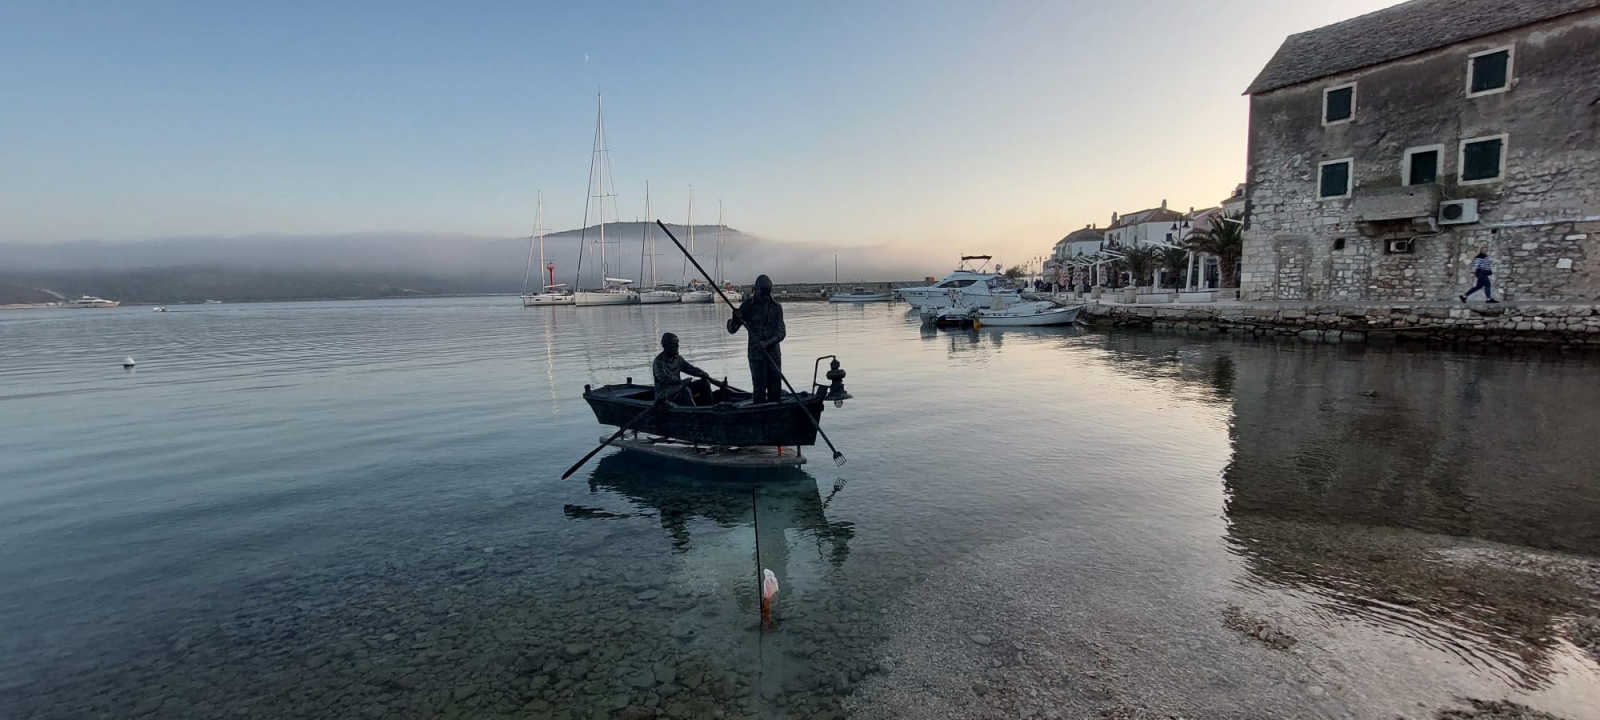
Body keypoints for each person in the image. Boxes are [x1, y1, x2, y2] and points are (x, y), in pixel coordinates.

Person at [727, 274, 786, 403]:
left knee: (775, 388)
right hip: (756, 356)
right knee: (759, 389)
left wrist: (767, 342)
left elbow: (781, 332)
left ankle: (776, 417)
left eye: (767, 293)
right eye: (761, 293)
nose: (764, 297)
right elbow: (732, 330)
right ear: (755, 289)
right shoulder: (747, 306)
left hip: (774, 355)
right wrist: (735, 318)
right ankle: (760, 418)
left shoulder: (777, 308)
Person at [652, 333, 716, 406]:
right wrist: (680, 381)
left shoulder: (678, 359)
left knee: (705, 383)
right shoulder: (659, 362)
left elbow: (691, 369)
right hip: (665, 394)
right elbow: (663, 378)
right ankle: (694, 412)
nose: (677, 346)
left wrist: (702, 373)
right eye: (674, 344)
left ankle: (710, 407)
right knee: (685, 391)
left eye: (677, 343)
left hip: (680, 387)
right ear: (666, 346)